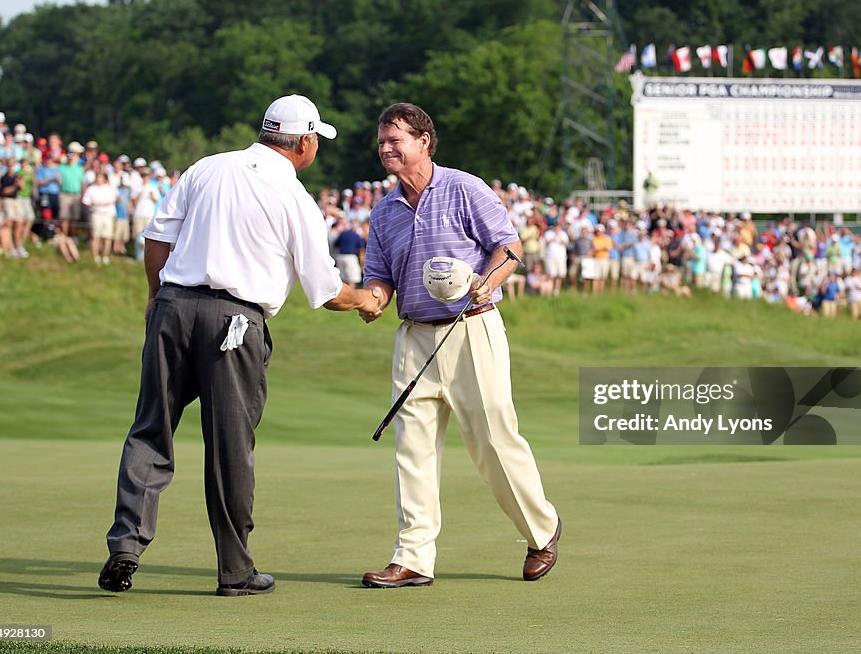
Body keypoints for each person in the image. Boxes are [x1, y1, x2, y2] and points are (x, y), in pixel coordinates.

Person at [99, 94, 382, 596]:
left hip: (173, 305)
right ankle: (235, 571)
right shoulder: (295, 197)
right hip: (234, 322)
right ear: (306, 142)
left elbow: (158, 239)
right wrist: (365, 300)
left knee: (151, 429)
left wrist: (153, 297)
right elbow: (326, 292)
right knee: (230, 447)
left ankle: (126, 543)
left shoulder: (207, 167)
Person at [359, 102, 560, 588]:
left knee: (493, 440)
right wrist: (371, 300)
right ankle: (412, 558)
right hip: (413, 337)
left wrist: (487, 282)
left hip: (472, 326)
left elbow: (508, 248)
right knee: (412, 449)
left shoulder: (465, 188)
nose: (386, 148)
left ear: (424, 141)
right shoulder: (384, 212)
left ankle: (542, 530)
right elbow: (381, 277)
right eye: (382, 141)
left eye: (395, 140)